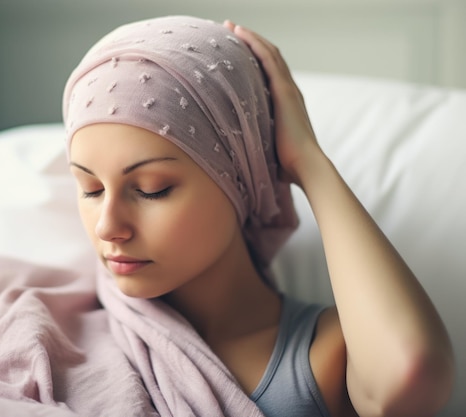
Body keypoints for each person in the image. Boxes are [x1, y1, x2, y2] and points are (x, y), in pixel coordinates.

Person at [62, 15, 454, 416]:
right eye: (90, 189)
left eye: (152, 189)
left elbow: (412, 374)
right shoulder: (51, 330)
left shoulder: (325, 354)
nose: (108, 226)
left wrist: (308, 161)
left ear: (242, 177)